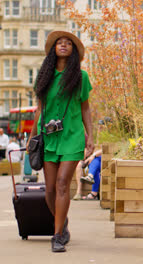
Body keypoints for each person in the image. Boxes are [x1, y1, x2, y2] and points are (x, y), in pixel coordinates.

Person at [27, 31, 93, 253]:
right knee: (50, 190)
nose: (64, 45)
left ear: (73, 51)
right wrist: (31, 137)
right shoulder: (44, 76)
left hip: (72, 136)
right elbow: (39, 109)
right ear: (53, 49)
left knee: (63, 183)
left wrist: (90, 136)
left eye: (68, 43)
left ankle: (56, 236)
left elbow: (85, 107)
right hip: (48, 137)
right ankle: (62, 222)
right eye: (59, 43)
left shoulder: (81, 77)